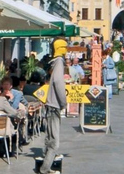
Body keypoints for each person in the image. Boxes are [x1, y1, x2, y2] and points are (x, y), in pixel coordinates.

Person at [38, 39, 67, 174]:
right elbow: (58, 81)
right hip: (55, 105)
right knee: (54, 142)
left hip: (49, 104)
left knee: (49, 138)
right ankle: (45, 169)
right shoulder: (60, 61)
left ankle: (45, 164)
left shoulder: (54, 62)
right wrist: (63, 102)